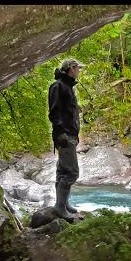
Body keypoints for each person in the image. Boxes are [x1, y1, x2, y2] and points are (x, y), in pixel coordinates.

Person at [48, 57, 85, 220]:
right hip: (63, 135)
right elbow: (54, 113)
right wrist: (62, 133)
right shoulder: (58, 86)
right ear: (71, 68)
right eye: (78, 68)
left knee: (63, 170)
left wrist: (74, 134)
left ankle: (64, 204)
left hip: (70, 135)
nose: (79, 71)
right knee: (72, 172)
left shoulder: (68, 86)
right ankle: (59, 207)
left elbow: (69, 113)